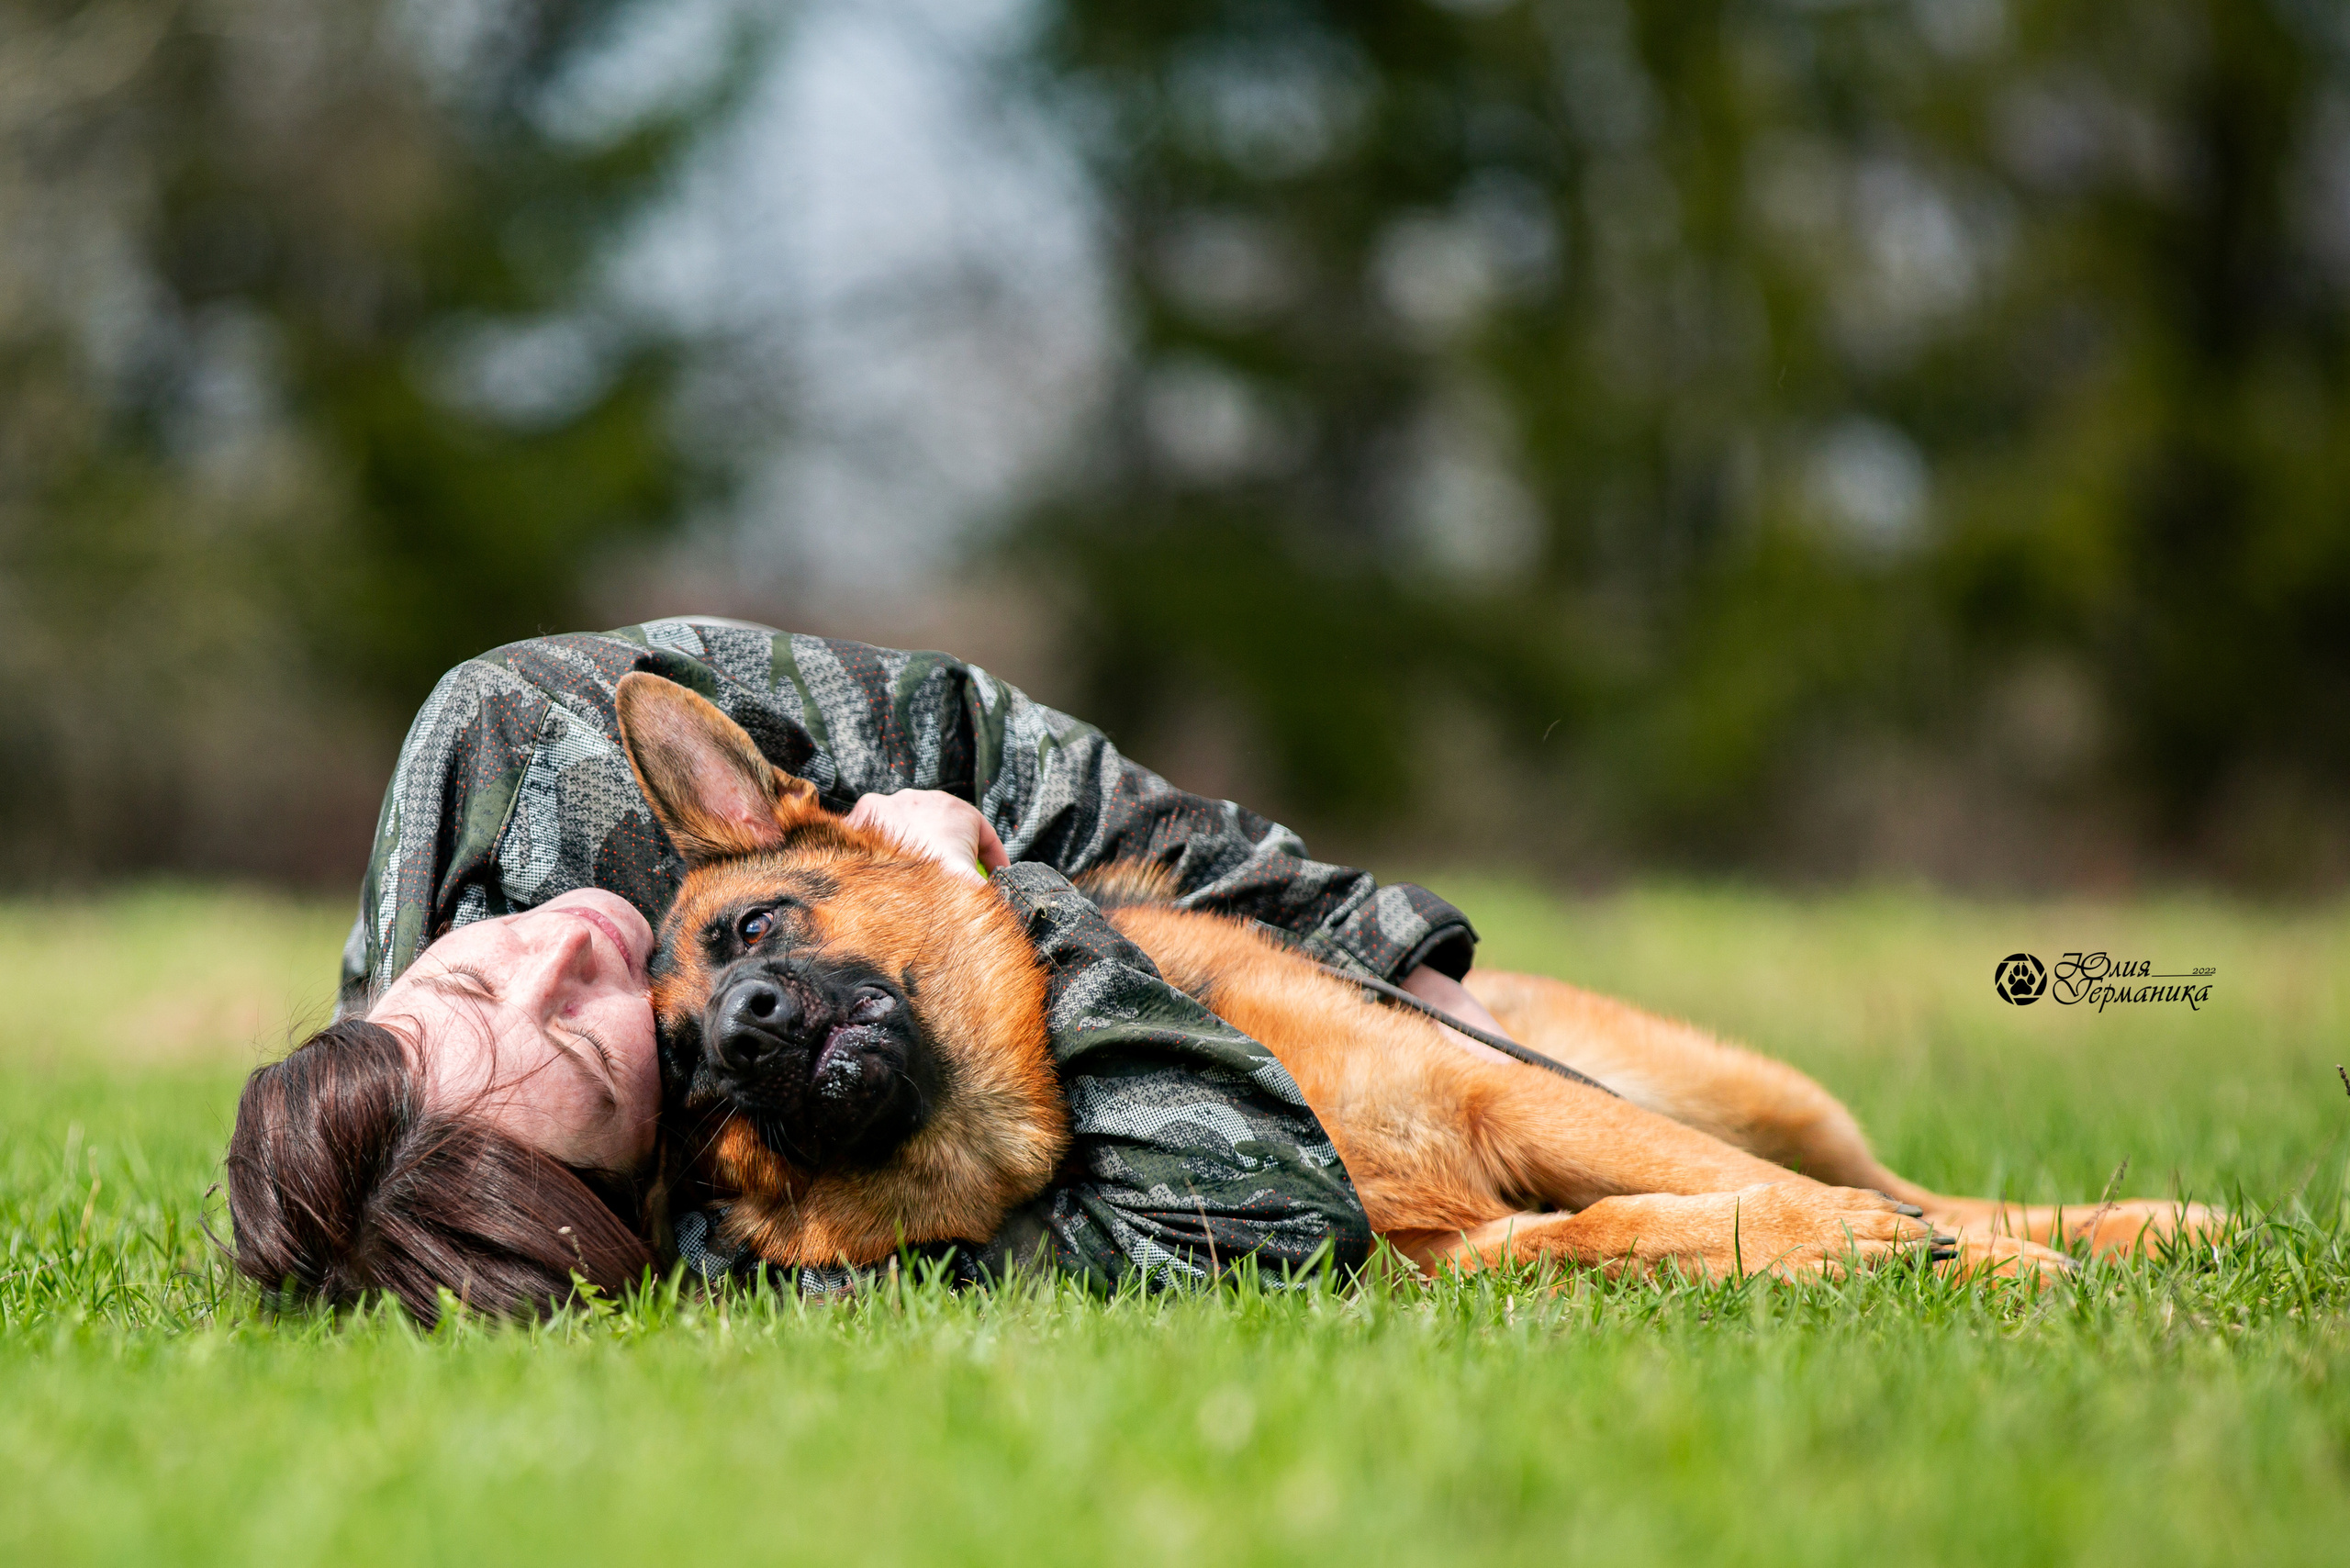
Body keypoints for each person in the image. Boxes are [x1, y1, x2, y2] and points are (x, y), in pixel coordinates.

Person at [225, 617, 1500, 1322]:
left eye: (463, 977)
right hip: (1088, 983)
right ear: (650, 1191)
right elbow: (1272, 1216)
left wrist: (1383, 951)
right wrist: (972, 903)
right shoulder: (743, 1249)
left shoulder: (516, 743)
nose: (565, 945)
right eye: (584, 1038)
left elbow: (988, 742)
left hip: (1158, 885)